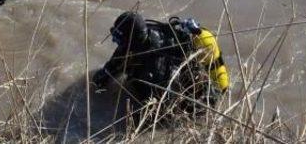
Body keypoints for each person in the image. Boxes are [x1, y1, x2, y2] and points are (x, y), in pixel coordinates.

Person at [92, 11, 228, 120]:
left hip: (181, 86)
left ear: (132, 41)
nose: (115, 42)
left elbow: (160, 113)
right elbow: (104, 76)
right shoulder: (140, 36)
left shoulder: (155, 69)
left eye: (119, 40)